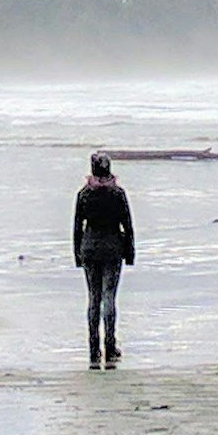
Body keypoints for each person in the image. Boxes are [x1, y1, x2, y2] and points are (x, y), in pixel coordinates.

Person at [73, 149, 135, 368]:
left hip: (89, 248)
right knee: (109, 297)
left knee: (93, 298)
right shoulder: (117, 193)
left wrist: (77, 255)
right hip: (112, 249)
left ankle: (93, 348)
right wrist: (130, 253)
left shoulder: (84, 194)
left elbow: (77, 227)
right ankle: (110, 346)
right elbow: (127, 225)